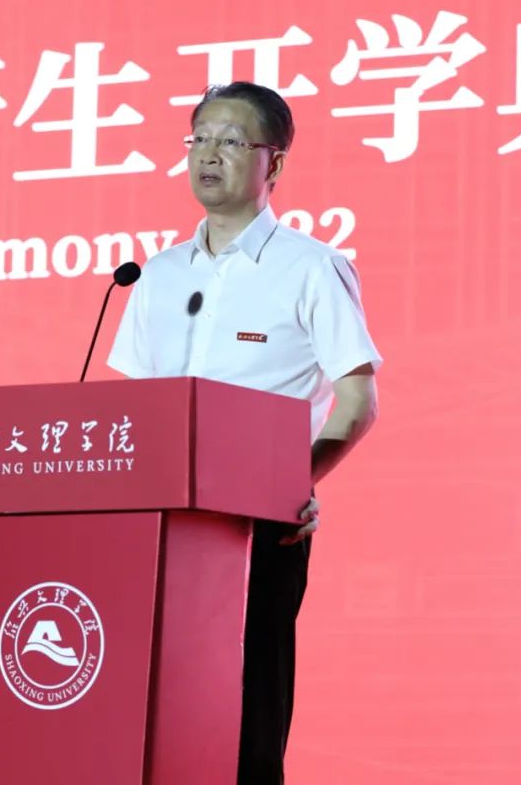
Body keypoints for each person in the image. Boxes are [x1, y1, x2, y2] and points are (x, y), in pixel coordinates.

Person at [107, 81, 381, 785]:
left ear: (273, 163)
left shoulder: (311, 268)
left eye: (231, 141)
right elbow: (134, 406)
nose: (209, 154)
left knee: (247, 716)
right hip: (160, 527)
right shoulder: (157, 275)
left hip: (260, 528)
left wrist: (292, 485)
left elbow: (357, 400)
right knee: (152, 713)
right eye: (199, 139)